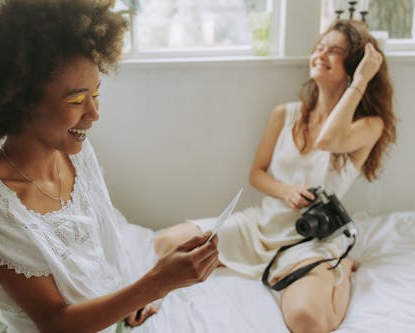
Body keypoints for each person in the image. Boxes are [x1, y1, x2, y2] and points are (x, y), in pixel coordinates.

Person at [0, 1, 219, 332]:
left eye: (96, 94)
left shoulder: (76, 154)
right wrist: (157, 282)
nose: (94, 113)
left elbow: (98, 252)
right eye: (77, 100)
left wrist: (130, 301)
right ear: (21, 100)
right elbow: (55, 323)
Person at [155, 20, 396, 333]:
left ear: (353, 65)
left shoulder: (369, 125)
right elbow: (256, 174)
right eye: (320, 47)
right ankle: (259, 263)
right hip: (261, 227)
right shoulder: (286, 114)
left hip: (309, 242)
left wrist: (361, 80)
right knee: (166, 242)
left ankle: (343, 268)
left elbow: (328, 140)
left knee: (307, 321)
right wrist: (285, 192)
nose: (321, 54)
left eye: (335, 51)